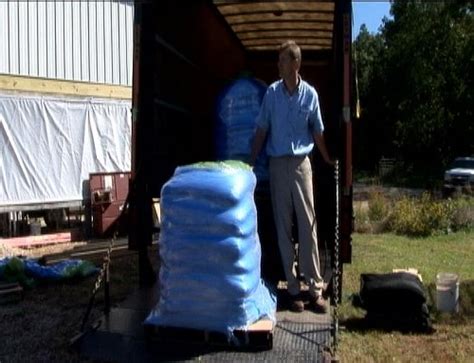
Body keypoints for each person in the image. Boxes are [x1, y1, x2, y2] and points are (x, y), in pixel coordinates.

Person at [249, 40, 333, 313]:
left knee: (308, 226)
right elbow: (261, 130)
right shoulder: (271, 94)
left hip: (301, 165)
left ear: (295, 63)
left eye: (283, 60)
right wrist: (249, 162)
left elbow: (317, 131)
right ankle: (294, 290)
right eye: (279, 61)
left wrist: (327, 158)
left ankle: (315, 290)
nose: (279, 65)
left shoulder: (310, 95)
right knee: (283, 227)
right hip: (277, 166)